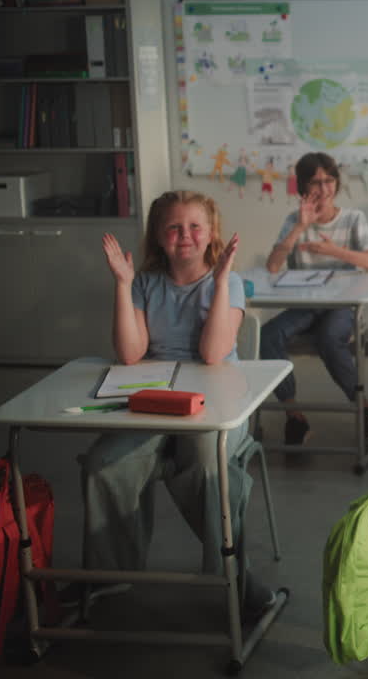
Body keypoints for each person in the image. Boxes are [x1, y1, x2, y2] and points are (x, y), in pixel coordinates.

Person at [86, 190, 280, 617]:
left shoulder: (228, 285)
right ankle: (108, 577)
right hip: (156, 404)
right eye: (173, 227)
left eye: (194, 226)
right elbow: (131, 354)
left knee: (205, 463)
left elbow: (212, 354)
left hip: (217, 407)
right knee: (104, 464)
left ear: (210, 232)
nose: (184, 236)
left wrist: (223, 277)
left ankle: (235, 577)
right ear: (158, 235)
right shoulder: (144, 284)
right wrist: (122, 285)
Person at [260, 152, 368, 445]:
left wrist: (334, 252)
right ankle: (295, 416)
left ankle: (365, 409)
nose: (323, 188)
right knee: (267, 336)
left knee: (328, 338)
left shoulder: (353, 218)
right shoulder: (294, 219)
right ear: (302, 186)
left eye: (329, 180)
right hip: (305, 304)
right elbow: (273, 266)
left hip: (343, 305)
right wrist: (300, 227)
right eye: (315, 182)